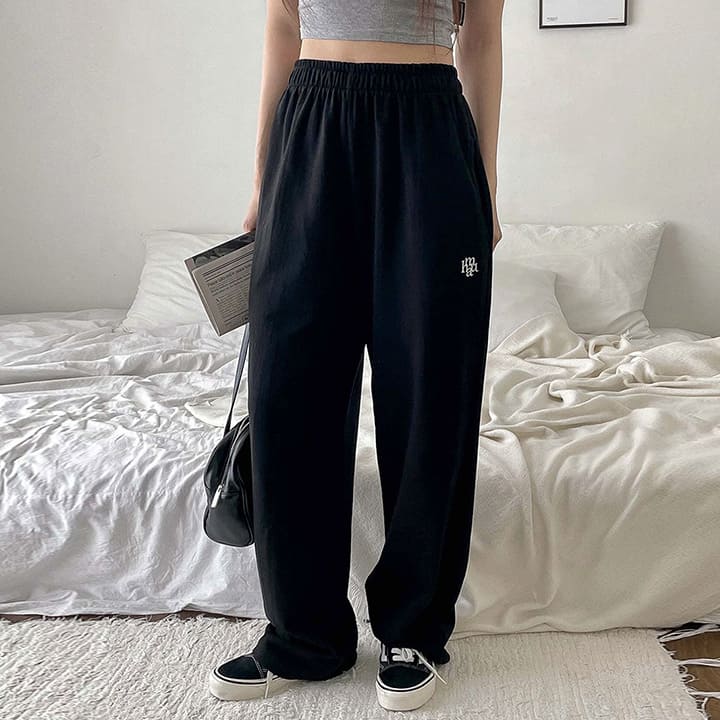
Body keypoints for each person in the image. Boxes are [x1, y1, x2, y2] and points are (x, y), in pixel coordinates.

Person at [209, 0, 505, 712]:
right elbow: (284, 27)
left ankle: (414, 630)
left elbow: (483, 40)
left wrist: (486, 184)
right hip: (312, 125)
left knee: (431, 391)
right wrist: (262, 179)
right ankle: (303, 635)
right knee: (291, 391)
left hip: (429, 131)